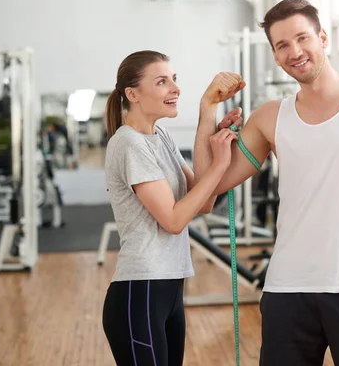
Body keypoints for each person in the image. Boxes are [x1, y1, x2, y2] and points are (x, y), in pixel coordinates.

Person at [194, 0, 339, 365]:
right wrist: (207, 109)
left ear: (323, 37)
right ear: (275, 56)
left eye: (302, 38)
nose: (295, 52)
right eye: (282, 45)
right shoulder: (270, 118)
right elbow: (206, 193)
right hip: (288, 290)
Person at [101, 50, 244, 366]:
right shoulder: (129, 144)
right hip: (140, 292)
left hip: (169, 288)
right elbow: (175, 219)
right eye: (162, 81)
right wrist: (220, 162)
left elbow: (203, 201)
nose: (175, 88)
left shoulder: (159, 136)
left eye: (174, 80)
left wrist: (209, 116)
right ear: (133, 94)